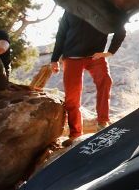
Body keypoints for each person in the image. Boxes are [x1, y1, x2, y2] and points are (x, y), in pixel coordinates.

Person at [50, 9, 126, 144]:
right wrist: (54, 59)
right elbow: (61, 34)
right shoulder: (70, 9)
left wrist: (109, 52)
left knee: (105, 81)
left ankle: (102, 122)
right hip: (72, 57)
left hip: (95, 57)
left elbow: (120, 30)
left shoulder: (101, 7)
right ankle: (75, 134)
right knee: (72, 96)